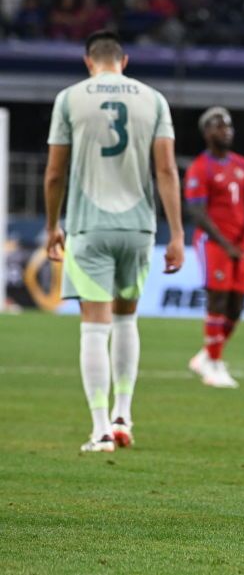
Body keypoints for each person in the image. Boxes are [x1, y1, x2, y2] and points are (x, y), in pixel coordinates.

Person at [44, 30, 185, 452]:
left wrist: (53, 224)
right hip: (138, 228)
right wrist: (176, 233)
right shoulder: (153, 99)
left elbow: (54, 173)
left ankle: (101, 429)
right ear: (123, 62)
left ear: (90, 63)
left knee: (94, 324)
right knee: (126, 319)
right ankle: (124, 413)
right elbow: (165, 171)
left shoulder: (70, 98)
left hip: (89, 226)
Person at [185, 106, 244, 388]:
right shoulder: (200, 167)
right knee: (217, 299)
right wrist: (224, 243)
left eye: (229, 126)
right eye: (220, 126)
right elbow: (197, 212)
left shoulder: (242, 165)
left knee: (238, 304)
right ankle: (214, 365)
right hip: (213, 243)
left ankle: (207, 355)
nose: (227, 131)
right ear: (207, 132)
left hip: (239, 244)